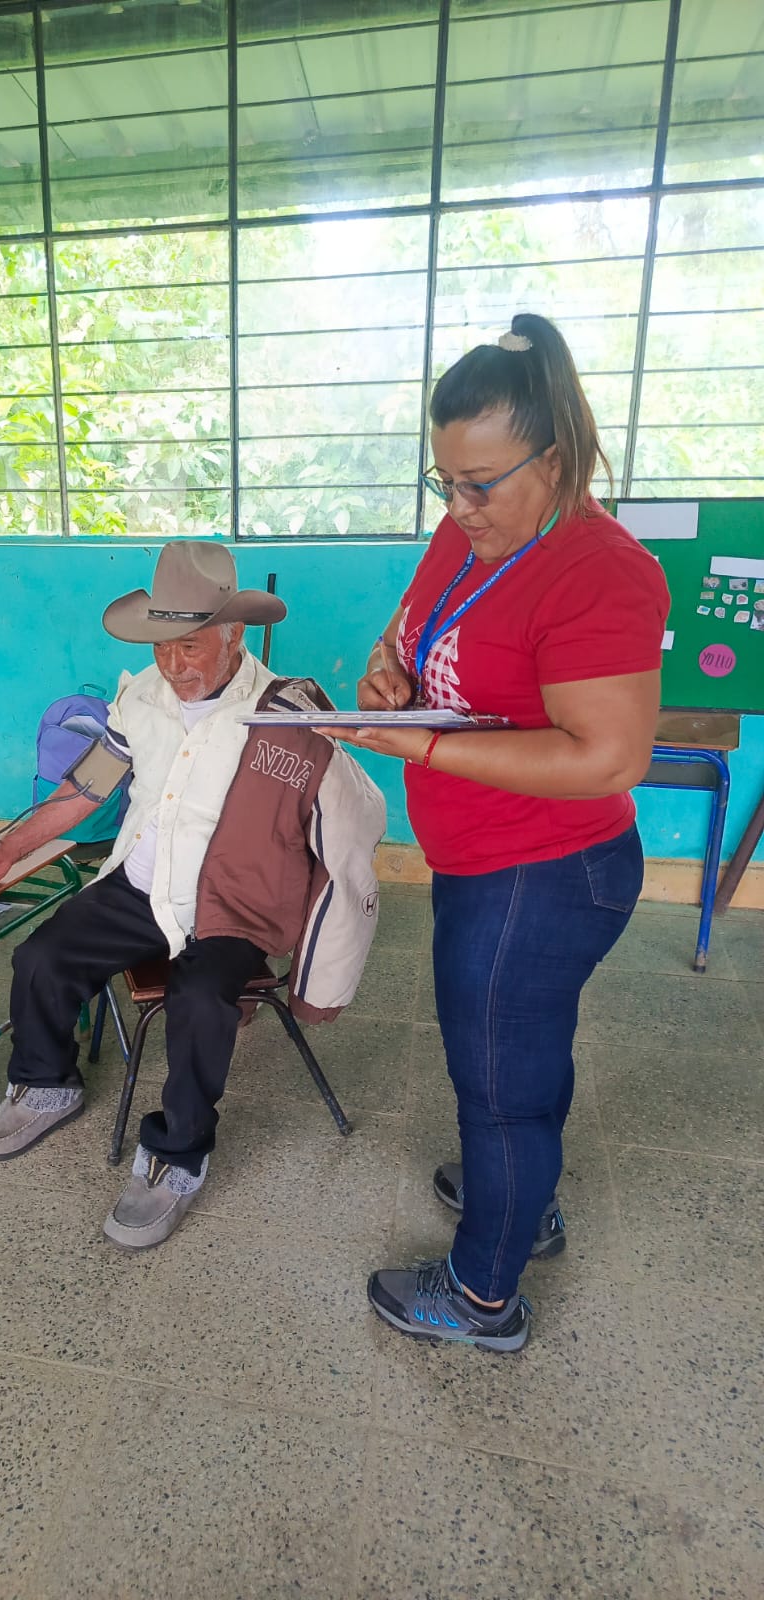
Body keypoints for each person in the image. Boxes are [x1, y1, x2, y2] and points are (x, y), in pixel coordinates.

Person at [333, 314, 669, 1351]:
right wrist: (388, 672)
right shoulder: (471, 535)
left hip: (545, 872)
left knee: (498, 1090)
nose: (459, 507)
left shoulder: (599, 571)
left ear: (554, 461)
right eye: (445, 482)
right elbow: (410, 631)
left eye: (481, 484)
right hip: (486, 859)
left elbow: (607, 758)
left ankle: (484, 1296)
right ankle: (526, 1201)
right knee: (520, 1057)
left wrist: (422, 746)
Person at [0, 540, 386, 1249]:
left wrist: (325, 958)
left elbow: (356, 821)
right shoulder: (140, 699)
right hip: (143, 886)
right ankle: (45, 1083)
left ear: (234, 635)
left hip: (233, 907)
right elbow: (87, 788)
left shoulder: (285, 714)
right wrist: (9, 849)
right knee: (42, 957)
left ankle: (177, 1156)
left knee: (200, 998)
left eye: (190, 647)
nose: (174, 665)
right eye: (162, 647)